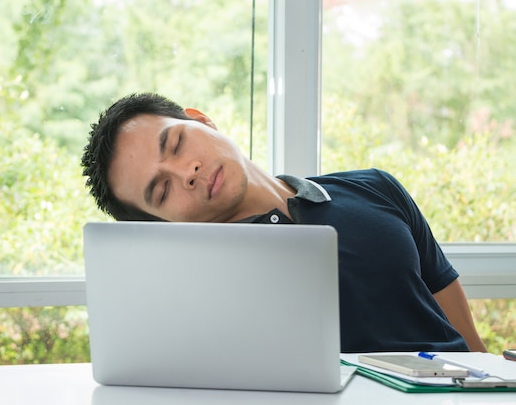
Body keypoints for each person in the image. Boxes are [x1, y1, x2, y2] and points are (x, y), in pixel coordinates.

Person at [81, 92, 487, 353]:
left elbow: (468, 341)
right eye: (162, 191)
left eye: (175, 143)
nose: (186, 173)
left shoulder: (375, 186)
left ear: (202, 120)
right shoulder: (203, 285)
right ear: (162, 222)